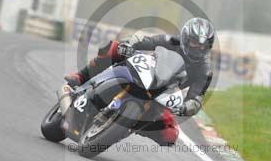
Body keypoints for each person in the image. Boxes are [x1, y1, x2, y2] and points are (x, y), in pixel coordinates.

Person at [64, 17, 215, 146]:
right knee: (113, 48)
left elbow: (196, 99)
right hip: (144, 74)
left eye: (203, 46)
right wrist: (128, 45)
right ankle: (81, 76)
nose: (198, 48)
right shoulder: (170, 41)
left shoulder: (205, 71)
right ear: (185, 38)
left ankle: (129, 127)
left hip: (163, 95)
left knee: (170, 135)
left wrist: (185, 107)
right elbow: (143, 41)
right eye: (195, 43)